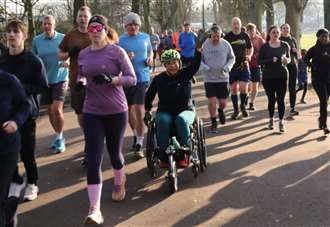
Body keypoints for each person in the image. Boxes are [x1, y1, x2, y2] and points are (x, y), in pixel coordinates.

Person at [76, 15, 136, 225]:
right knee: (93, 158)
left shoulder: (116, 51)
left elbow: (132, 78)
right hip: (92, 111)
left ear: (105, 30)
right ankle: (95, 210)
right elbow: (82, 74)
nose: (93, 31)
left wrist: (112, 79)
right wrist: (81, 82)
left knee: (115, 155)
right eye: (91, 28)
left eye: (98, 27)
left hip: (116, 111)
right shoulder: (83, 54)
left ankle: (120, 181)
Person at [0, 20, 48, 202]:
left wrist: (20, 87)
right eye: (9, 32)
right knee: (5, 150)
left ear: (24, 36)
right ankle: (15, 179)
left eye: (16, 32)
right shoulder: (2, 61)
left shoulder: (34, 61)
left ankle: (32, 182)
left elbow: (43, 87)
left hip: (25, 113)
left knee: (27, 151)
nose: (11, 35)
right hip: (5, 114)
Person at [144, 48, 201, 168]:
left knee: (181, 120)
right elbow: (149, 95)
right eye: (169, 63)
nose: (172, 66)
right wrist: (147, 110)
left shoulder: (186, 73)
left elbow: (195, 64)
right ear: (164, 65)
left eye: (174, 62)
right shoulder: (159, 79)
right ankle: (164, 156)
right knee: (162, 121)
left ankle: (185, 152)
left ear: (179, 63)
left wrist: (198, 51)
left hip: (185, 109)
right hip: (166, 110)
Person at [58, 6, 92, 165]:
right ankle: (88, 138)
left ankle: (92, 145)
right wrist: (70, 53)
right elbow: (60, 55)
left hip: (95, 80)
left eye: (85, 16)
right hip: (76, 80)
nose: (83, 19)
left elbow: (112, 44)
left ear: (89, 17)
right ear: (77, 18)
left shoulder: (96, 32)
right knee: (80, 113)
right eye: (80, 16)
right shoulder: (70, 36)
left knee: (95, 113)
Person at [32, 15, 69, 153]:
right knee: (49, 111)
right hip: (45, 80)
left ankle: (59, 139)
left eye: (49, 24)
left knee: (56, 109)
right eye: (44, 24)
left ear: (54, 24)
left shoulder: (63, 38)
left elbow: (69, 54)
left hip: (60, 78)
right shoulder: (37, 40)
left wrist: (68, 62)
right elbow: (33, 58)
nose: (47, 26)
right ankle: (59, 136)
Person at [119, 12, 153, 158]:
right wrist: (125, 57)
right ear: (125, 26)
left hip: (142, 78)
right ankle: (135, 134)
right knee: (128, 111)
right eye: (129, 24)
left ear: (139, 25)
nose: (133, 27)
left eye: (135, 24)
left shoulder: (145, 37)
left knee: (139, 110)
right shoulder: (120, 40)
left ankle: (139, 142)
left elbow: (151, 51)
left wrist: (150, 59)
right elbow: (115, 59)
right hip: (126, 79)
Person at [0, 70, 30, 227]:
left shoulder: (8, 80)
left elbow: (25, 105)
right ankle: (9, 210)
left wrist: (16, 122)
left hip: (6, 147)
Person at [201, 25, 235, 133]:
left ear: (221, 35)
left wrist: (228, 67)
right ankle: (213, 121)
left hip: (223, 78)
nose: (216, 39)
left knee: (223, 102)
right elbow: (198, 60)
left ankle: (220, 111)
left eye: (218, 36)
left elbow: (232, 58)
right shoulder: (204, 45)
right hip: (209, 78)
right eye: (214, 36)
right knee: (212, 101)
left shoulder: (226, 44)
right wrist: (205, 67)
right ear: (210, 35)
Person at [258, 25, 291, 133]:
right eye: (273, 32)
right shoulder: (265, 47)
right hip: (268, 77)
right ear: (269, 34)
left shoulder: (285, 45)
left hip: (282, 75)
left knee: (281, 99)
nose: (276, 34)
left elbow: (289, 58)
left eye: (277, 32)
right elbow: (259, 61)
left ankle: (281, 122)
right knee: (271, 99)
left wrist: (287, 60)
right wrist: (270, 60)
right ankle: (271, 120)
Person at [225, 17, 253, 119]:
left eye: (237, 24)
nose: (236, 25)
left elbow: (251, 47)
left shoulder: (244, 35)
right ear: (231, 25)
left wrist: (249, 55)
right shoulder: (227, 37)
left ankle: (243, 107)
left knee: (243, 88)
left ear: (240, 25)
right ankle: (236, 110)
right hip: (232, 67)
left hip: (243, 65)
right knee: (233, 90)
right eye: (234, 24)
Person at [304, 28, 330, 135]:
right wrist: (312, 66)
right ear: (318, 38)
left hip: (329, 78)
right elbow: (305, 59)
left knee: (325, 101)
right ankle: (324, 125)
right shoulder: (313, 49)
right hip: (317, 78)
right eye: (322, 36)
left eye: (326, 36)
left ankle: (321, 119)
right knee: (323, 101)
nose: (324, 38)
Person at [280, 24, 299, 116]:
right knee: (281, 87)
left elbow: (296, 54)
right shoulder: (279, 40)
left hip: (292, 65)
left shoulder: (293, 40)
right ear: (281, 30)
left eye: (287, 28)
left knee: (292, 87)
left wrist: (295, 52)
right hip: (282, 66)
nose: (286, 30)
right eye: (284, 28)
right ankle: (280, 104)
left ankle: (292, 107)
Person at [246, 23, 265, 111]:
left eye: (252, 31)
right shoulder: (244, 40)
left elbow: (265, 50)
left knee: (255, 86)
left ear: (255, 30)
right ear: (247, 31)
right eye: (249, 31)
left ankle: (251, 103)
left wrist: (259, 55)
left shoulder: (260, 40)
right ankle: (246, 96)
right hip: (246, 66)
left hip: (256, 65)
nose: (251, 33)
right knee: (248, 86)